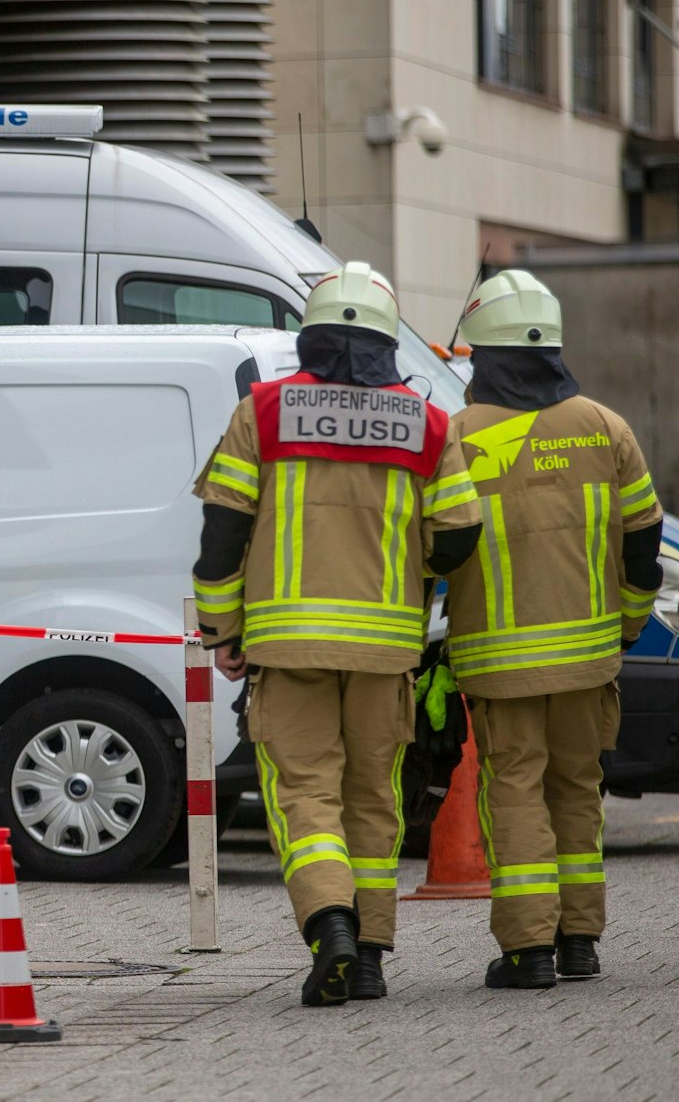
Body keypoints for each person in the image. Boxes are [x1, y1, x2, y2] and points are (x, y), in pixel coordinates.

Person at [191, 262, 481, 1005]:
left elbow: (222, 532)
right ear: (387, 340)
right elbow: (459, 534)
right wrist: (411, 575)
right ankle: (374, 953)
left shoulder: (261, 411)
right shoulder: (429, 420)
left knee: (304, 791)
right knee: (374, 797)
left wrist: (222, 628)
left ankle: (330, 926)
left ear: (309, 334)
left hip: (287, 646)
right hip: (385, 648)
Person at [442, 270, 664, 988]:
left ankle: (528, 949)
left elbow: (433, 545)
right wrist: (628, 624)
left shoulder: (460, 436)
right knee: (578, 790)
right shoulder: (606, 427)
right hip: (591, 660)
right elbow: (644, 541)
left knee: (514, 792)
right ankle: (580, 942)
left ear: (485, 352)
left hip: (500, 664)